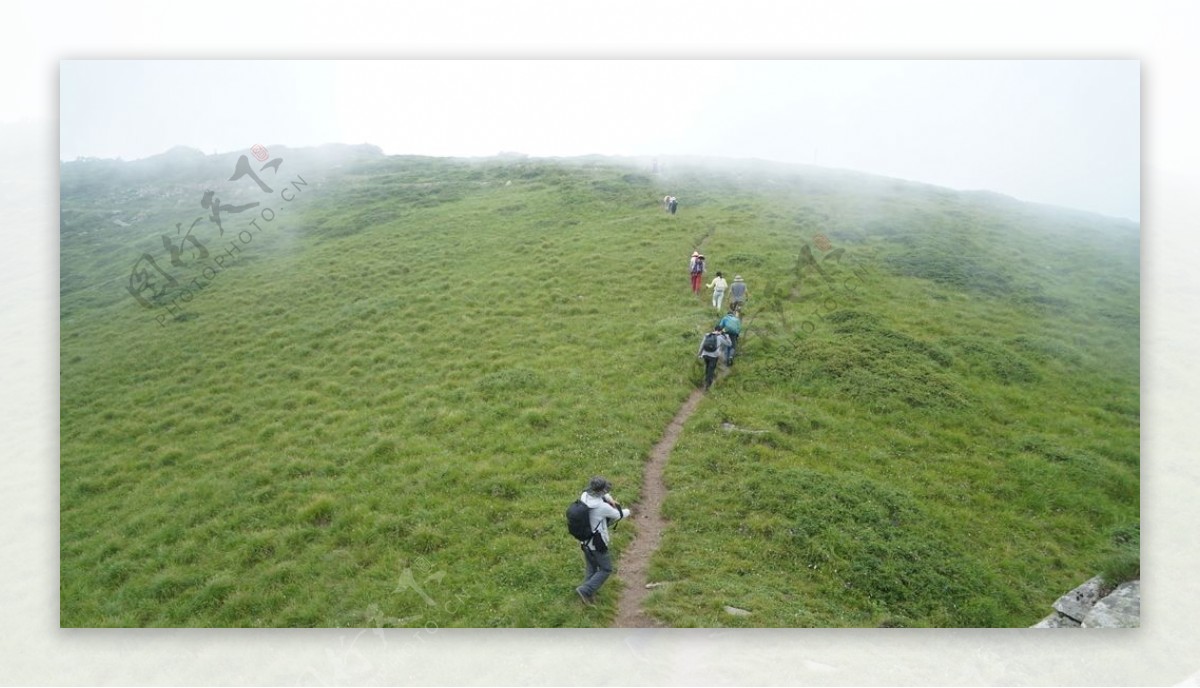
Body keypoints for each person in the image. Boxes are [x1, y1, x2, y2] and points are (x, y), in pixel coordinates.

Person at [576, 477, 631, 605]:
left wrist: (610, 499)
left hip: (585, 541)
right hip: (597, 544)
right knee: (606, 569)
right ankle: (585, 590)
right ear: (600, 492)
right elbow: (619, 515)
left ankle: (587, 594)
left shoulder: (584, 496)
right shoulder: (601, 507)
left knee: (592, 568)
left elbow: (603, 494)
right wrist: (630, 511)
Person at [697, 326, 731, 391]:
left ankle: (706, 380)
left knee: (707, 367)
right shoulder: (720, 337)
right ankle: (707, 386)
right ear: (721, 331)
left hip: (705, 354)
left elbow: (702, 345)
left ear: (714, 329)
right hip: (714, 356)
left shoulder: (707, 335)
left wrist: (699, 354)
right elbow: (729, 344)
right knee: (711, 370)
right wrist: (727, 336)